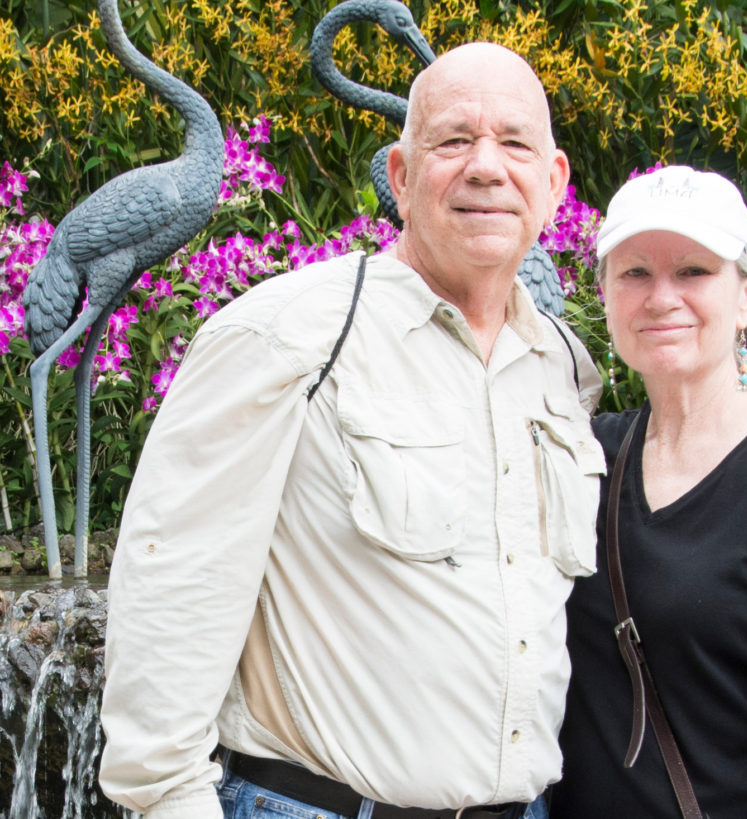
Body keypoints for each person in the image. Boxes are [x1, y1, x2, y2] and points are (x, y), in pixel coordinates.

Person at [99, 43, 607, 819]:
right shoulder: (285, 338)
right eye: (452, 140)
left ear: (553, 182)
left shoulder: (561, 368)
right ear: (400, 176)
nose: (485, 166)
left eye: (513, 142)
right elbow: (171, 595)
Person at [550, 165, 747, 818]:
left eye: (693, 271)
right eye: (635, 272)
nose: (662, 297)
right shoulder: (587, 454)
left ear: (746, 293)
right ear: (603, 292)